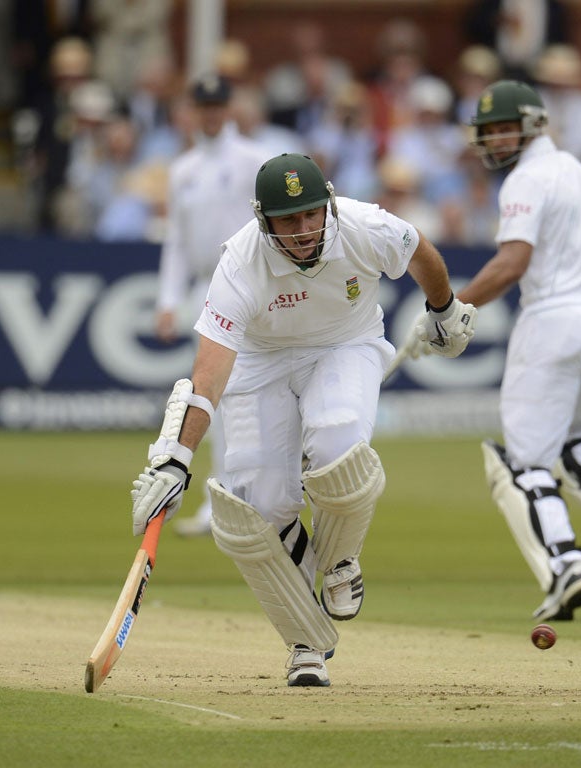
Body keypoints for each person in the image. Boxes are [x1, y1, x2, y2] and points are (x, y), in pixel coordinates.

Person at [130, 153, 477, 686]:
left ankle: (339, 562)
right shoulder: (240, 262)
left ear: (329, 204)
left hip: (346, 343)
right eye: (288, 221)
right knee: (256, 511)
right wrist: (175, 461)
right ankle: (306, 645)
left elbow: (419, 251)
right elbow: (208, 375)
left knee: (339, 446)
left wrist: (443, 308)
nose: (304, 229)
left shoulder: (364, 225)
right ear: (263, 220)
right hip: (259, 359)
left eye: (312, 214)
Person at [427, 80, 581, 623]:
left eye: (502, 128)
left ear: (534, 124)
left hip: (554, 322)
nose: (493, 140)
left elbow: (512, 264)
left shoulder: (525, 179)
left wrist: (449, 307)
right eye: (486, 132)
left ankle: (566, 564)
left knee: (523, 462)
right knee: (574, 437)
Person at [155, 73, 272, 537]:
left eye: (218, 105)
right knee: (214, 396)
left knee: (255, 394)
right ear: (192, 109)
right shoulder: (182, 169)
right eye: (203, 106)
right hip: (208, 288)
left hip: (252, 286)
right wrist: (168, 299)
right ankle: (221, 499)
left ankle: (256, 497)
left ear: (229, 107)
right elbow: (177, 242)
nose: (211, 114)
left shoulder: (254, 159)